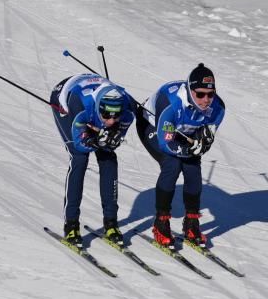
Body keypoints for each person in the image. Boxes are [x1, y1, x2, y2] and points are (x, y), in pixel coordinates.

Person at [135, 63, 226, 247]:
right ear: (190, 89)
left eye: (210, 94)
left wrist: (202, 145)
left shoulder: (218, 108)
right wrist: (187, 150)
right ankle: (161, 222)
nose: (206, 99)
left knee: (193, 170)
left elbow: (205, 139)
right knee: (172, 165)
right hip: (152, 125)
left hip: (183, 131)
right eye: (200, 94)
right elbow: (166, 142)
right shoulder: (172, 103)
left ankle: (191, 222)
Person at [49, 73, 135, 247]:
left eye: (115, 116)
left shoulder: (128, 109)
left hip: (93, 94)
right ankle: (71, 224)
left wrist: (109, 139)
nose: (111, 121)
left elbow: (113, 141)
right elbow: (81, 144)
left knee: (108, 157)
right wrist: (95, 140)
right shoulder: (81, 105)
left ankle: (111, 222)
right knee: (80, 158)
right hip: (66, 99)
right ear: (99, 108)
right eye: (107, 116)